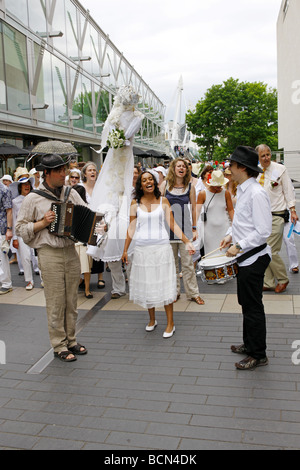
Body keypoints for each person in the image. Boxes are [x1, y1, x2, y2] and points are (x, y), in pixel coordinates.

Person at [15, 154, 88, 363]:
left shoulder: (70, 193)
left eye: (64, 170)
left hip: (70, 250)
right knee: (56, 301)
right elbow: (20, 228)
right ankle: (59, 345)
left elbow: (85, 213)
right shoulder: (33, 198)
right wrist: (42, 223)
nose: (64, 174)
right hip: (49, 252)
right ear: (46, 173)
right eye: (59, 171)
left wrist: (97, 225)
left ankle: (71, 339)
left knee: (71, 300)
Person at [122, 171, 195, 338]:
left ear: (154, 183)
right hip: (142, 250)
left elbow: (173, 224)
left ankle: (170, 323)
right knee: (148, 285)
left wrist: (186, 241)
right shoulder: (135, 202)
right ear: (140, 185)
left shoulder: (163, 201)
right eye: (144, 180)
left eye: (150, 179)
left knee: (165, 285)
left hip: (162, 249)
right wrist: (125, 250)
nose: (148, 182)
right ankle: (152, 320)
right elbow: (131, 227)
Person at [87, 85, 144, 299]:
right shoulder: (114, 115)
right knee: (110, 241)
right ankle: (118, 286)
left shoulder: (137, 116)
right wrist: (116, 137)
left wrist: (121, 138)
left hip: (124, 161)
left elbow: (127, 135)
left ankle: (133, 285)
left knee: (129, 248)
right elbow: (111, 137)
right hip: (114, 171)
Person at [220, 146, 272, 371]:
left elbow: (263, 231)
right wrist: (229, 236)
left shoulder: (256, 193)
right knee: (246, 304)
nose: (228, 168)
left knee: (253, 307)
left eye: (231, 164)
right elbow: (241, 223)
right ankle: (249, 343)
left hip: (253, 257)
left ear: (242, 167)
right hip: (244, 257)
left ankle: (258, 354)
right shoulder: (242, 190)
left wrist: (239, 245)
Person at [160, 158, 204, 305]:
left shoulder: (190, 187)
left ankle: (193, 293)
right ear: (173, 168)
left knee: (188, 264)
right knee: (171, 264)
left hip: (185, 230)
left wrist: (194, 227)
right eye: (178, 166)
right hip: (168, 230)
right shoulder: (165, 185)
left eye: (184, 166)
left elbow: (193, 208)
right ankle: (174, 292)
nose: (181, 168)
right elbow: (158, 207)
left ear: (186, 170)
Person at [256, 144, 298, 293]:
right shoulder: (255, 171)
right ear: (258, 158)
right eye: (263, 156)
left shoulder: (280, 169)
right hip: (261, 216)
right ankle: (268, 282)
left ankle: (282, 279)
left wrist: (292, 209)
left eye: (268, 154)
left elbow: (288, 190)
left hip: (277, 215)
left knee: (270, 249)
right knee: (262, 249)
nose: (266, 158)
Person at [197, 169, 234, 257]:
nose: (219, 186)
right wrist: (194, 228)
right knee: (211, 256)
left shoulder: (226, 193)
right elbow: (196, 211)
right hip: (208, 230)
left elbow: (231, 210)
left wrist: (234, 224)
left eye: (220, 184)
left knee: (225, 255)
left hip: (224, 229)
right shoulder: (203, 194)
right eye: (217, 184)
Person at [81, 161, 105, 291]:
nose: (92, 172)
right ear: (85, 173)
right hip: (85, 221)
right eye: (90, 170)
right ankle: (85, 277)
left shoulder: (100, 187)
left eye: (94, 170)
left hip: (98, 219)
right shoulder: (80, 187)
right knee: (86, 251)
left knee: (98, 246)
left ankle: (100, 277)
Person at [11, 176, 36, 290]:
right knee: (25, 257)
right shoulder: (15, 202)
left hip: (35, 230)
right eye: (24, 184)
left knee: (38, 256)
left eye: (28, 184)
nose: (27, 186)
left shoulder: (34, 198)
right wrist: (15, 238)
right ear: (20, 187)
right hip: (21, 232)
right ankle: (29, 281)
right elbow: (14, 220)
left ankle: (44, 280)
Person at [0, 180, 13, 294]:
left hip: (2, 228)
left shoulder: (4, 190)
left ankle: (6, 283)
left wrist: (9, 229)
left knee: (2, 257)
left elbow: (9, 210)